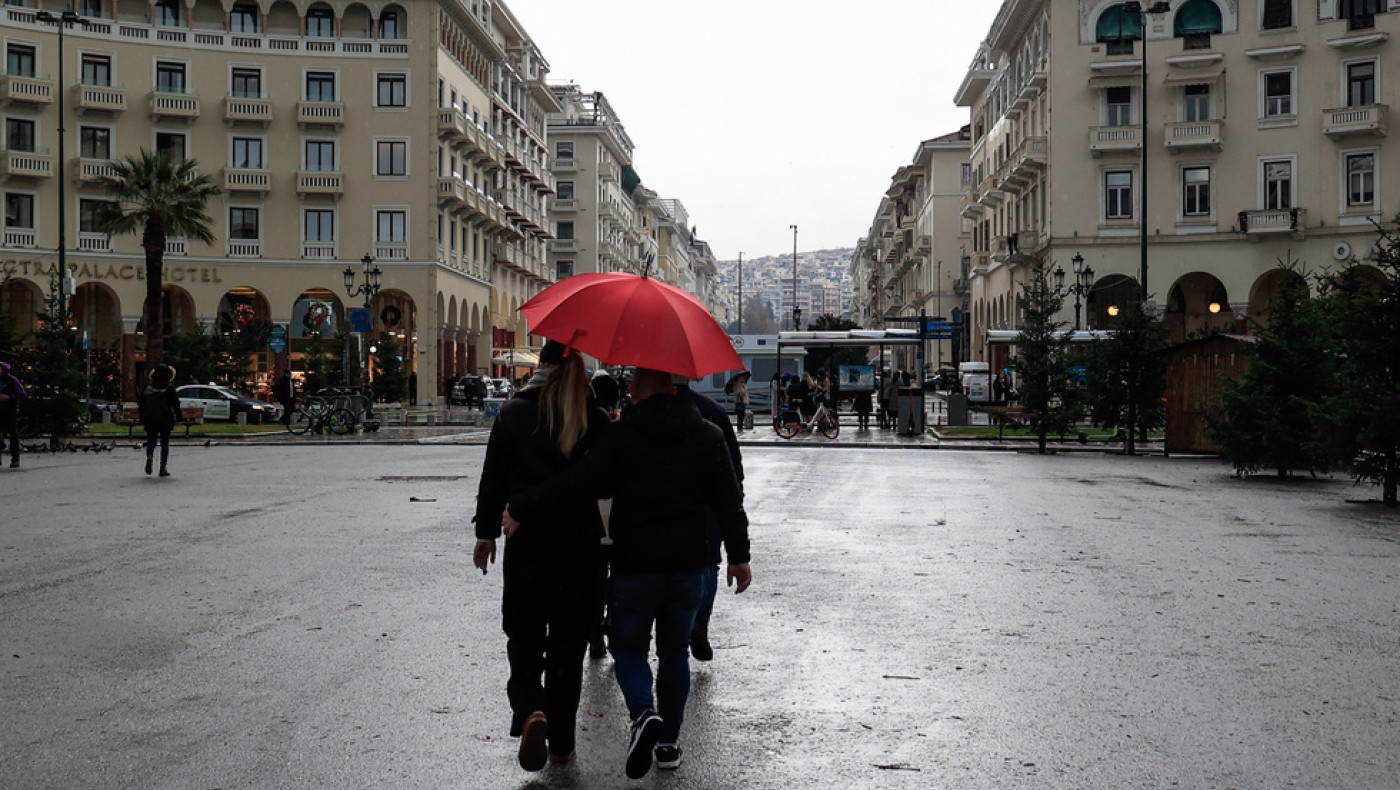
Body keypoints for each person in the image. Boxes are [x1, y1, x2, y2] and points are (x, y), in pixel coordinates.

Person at [504, 367, 751, 779]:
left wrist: (521, 507)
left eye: (636, 382)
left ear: (646, 389)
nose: (629, 387)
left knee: (631, 651)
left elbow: (577, 483)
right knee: (674, 653)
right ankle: (669, 745)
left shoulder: (620, 439)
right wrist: (740, 557)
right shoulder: (708, 435)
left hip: (635, 567)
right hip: (688, 565)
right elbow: (729, 502)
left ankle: (641, 714)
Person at [472, 340, 610, 772]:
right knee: (568, 648)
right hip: (581, 548)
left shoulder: (513, 414)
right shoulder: (596, 420)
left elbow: (492, 478)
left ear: (540, 366)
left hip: (527, 543)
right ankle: (562, 744)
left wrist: (485, 534)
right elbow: (602, 485)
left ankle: (531, 707)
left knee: (525, 634)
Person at [139, 363, 182, 477]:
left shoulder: (148, 386)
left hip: (150, 417)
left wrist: (142, 417)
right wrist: (179, 418)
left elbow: (142, 403)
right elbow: (176, 404)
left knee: (151, 441)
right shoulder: (170, 387)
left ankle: (149, 457)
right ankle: (163, 468)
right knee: (165, 443)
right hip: (165, 418)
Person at [0, 360, 27, 469]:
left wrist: (9, 398)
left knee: (12, 434)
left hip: (10, 411)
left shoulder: (12, 380)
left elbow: (22, 394)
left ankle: (15, 459)